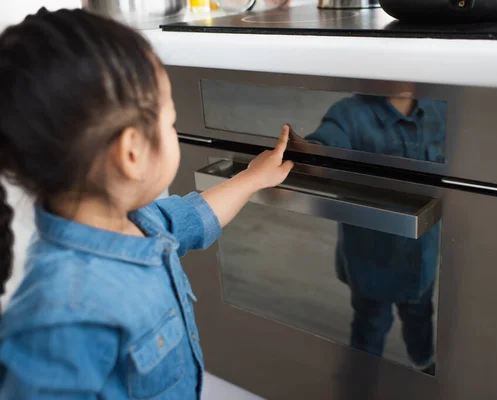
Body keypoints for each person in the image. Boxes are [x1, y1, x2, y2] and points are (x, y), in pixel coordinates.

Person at [0, 8, 293, 399]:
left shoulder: (136, 222)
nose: (173, 130)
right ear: (132, 153)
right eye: (170, 122)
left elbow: (195, 216)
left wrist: (252, 179)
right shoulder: (60, 316)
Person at [297, 92, 445, 373]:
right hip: (369, 259)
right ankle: (362, 377)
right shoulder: (350, 113)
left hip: (420, 259)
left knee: (420, 316)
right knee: (370, 322)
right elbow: (324, 148)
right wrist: (306, 154)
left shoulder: (439, 109)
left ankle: (425, 364)